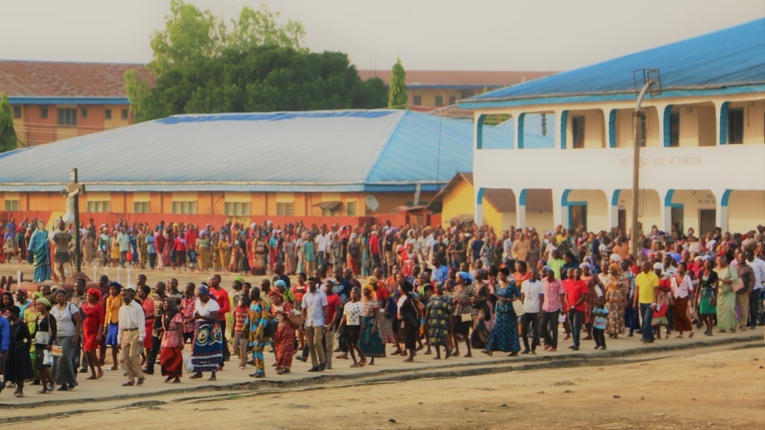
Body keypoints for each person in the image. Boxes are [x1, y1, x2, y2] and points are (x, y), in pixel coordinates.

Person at [483, 267, 522, 357]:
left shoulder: (511, 285)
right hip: (500, 310)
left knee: (511, 330)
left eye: (502, 275)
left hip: (509, 311)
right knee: (496, 328)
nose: (500, 276)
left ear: (506, 275)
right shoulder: (498, 285)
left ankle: (514, 350)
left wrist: (508, 299)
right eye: (499, 275)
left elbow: (518, 296)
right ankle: (490, 348)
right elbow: (498, 296)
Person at [50, 289, 82, 391]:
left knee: (64, 357)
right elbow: (51, 324)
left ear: (66, 297)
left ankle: (70, 381)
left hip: (69, 336)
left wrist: (76, 336)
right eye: (58, 296)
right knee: (58, 359)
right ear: (56, 298)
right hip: (57, 337)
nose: (60, 298)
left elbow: (79, 321)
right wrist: (51, 338)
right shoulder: (54, 309)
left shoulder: (71, 306)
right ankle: (63, 383)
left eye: (62, 296)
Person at [191, 285, 222, 381]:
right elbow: (197, 315)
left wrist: (201, 317)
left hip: (211, 329)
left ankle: (213, 373)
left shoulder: (213, 304)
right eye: (198, 296)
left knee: (212, 349)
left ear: (206, 295)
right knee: (197, 349)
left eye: (200, 296)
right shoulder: (197, 302)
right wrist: (189, 320)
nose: (199, 298)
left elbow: (214, 317)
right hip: (200, 328)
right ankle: (198, 371)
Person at [3, 306, 33, 397]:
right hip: (10, 349)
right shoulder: (8, 324)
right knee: (8, 368)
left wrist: (25, 350)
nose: (8, 315)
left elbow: (28, 338)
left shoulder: (22, 325)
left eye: (9, 313)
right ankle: (11, 384)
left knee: (20, 370)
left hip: (20, 349)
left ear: (15, 314)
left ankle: (20, 389)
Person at [118, 286, 146, 386]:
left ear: (130, 295)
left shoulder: (137, 307)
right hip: (125, 333)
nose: (123, 297)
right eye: (122, 296)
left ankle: (140, 375)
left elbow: (141, 323)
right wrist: (119, 339)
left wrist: (141, 337)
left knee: (133, 355)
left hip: (135, 332)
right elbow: (120, 325)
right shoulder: (122, 308)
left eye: (125, 295)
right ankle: (131, 379)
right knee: (125, 357)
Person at [302, 276, 328, 372]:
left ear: (316, 284)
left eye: (311, 283)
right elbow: (304, 310)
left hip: (319, 321)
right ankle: (315, 365)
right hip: (308, 322)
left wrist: (325, 324)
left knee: (317, 342)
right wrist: (302, 322)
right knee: (310, 345)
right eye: (308, 284)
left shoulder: (321, 295)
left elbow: (325, 309)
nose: (310, 285)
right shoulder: (306, 296)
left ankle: (323, 361)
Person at [337, 287, 366, 367]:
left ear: (358, 295)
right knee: (349, 344)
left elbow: (361, 318)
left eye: (355, 293)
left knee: (354, 344)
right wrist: (339, 328)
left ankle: (363, 358)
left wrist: (361, 330)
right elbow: (344, 317)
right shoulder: (347, 305)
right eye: (352, 293)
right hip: (347, 325)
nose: (354, 294)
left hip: (355, 326)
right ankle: (355, 362)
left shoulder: (360, 305)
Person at [33, 297, 56, 394]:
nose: (37, 306)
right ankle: (44, 386)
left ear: (45, 305)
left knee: (43, 365)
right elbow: (35, 331)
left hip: (46, 342)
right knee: (38, 365)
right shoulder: (38, 317)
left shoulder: (50, 317)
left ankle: (51, 382)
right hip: (38, 342)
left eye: (39, 304)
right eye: (36, 304)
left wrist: (50, 343)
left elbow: (54, 331)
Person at [244, 287, 269, 378]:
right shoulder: (252, 303)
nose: (250, 295)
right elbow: (248, 317)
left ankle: (261, 371)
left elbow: (264, 318)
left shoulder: (263, 304)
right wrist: (244, 329)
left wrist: (259, 330)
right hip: (252, 332)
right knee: (254, 352)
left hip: (259, 333)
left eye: (252, 293)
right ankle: (257, 370)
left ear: (257, 293)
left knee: (258, 351)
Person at [269, 290, 295, 375]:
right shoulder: (272, 306)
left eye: (274, 298)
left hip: (287, 329)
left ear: (279, 297)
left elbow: (292, 313)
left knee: (286, 349)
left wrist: (282, 312)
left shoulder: (286, 304)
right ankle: (282, 365)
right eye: (272, 298)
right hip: (277, 330)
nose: (273, 300)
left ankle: (282, 367)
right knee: (279, 348)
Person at [358, 284, 386, 364]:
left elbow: (377, 314)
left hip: (371, 321)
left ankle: (372, 358)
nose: (364, 291)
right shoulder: (362, 300)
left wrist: (374, 326)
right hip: (363, 321)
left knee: (371, 340)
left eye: (366, 290)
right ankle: (362, 358)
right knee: (361, 340)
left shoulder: (374, 301)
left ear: (370, 291)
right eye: (363, 290)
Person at [81, 288, 105, 380]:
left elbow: (101, 322)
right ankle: (93, 373)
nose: (88, 297)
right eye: (87, 295)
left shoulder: (99, 307)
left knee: (91, 350)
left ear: (95, 297)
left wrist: (99, 334)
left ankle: (99, 368)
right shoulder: (84, 306)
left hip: (94, 332)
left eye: (90, 296)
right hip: (85, 332)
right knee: (87, 352)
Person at [519, 269, 544, 354]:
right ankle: (526, 347)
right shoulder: (524, 283)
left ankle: (533, 348)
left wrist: (540, 311)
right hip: (526, 309)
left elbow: (541, 298)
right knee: (523, 329)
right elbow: (522, 296)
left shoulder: (540, 284)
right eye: (533, 274)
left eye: (536, 275)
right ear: (530, 274)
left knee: (536, 330)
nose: (535, 276)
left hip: (535, 309)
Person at [159, 298, 184, 383]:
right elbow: (164, 327)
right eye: (164, 304)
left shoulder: (177, 315)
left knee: (176, 358)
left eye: (167, 304)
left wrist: (180, 341)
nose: (165, 305)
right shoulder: (164, 315)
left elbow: (180, 328)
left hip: (175, 338)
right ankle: (169, 374)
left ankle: (176, 376)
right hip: (166, 339)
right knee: (164, 358)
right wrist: (158, 330)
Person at [451, 272, 475, 357]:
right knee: (454, 331)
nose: (456, 279)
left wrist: (466, 301)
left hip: (466, 312)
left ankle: (469, 351)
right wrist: (455, 301)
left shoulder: (469, 288)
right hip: (458, 311)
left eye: (458, 278)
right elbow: (453, 297)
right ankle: (457, 350)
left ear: (463, 279)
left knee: (465, 332)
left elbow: (475, 298)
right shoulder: (456, 288)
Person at [634, 261, 659, 343]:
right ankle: (651, 337)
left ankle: (645, 336)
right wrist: (635, 301)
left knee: (647, 320)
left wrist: (655, 303)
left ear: (649, 266)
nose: (642, 267)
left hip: (650, 302)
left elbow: (656, 291)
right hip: (641, 301)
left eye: (643, 266)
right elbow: (637, 290)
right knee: (644, 320)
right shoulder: (639, 276)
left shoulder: (654, 277)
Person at [564, 268, 588, 351]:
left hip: (578, 308)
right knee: (572, 326)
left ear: (581, 273)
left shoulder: (583, 283)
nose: (577, 273)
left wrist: (575, 305)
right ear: (573, 273)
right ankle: (574, 342)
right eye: (575, 272)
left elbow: (583, 296)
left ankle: (576, 344)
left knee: (576, 325)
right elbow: (566, 295)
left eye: (579, 272)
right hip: (570, 307)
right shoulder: (569, 282)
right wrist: (569, 305)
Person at [715, 255, 739, 333]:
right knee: (720, 309)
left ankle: (732, 326)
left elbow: (735, 278)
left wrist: (726, 280)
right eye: (718, 260)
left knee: (729, 308)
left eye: (721, 260)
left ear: (724, 260)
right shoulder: (715, 270)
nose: (719, 262)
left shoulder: (730, 268)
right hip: (719, 292)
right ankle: (722, 327)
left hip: (729, 292)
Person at [671, 262, 695, 338]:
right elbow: (672, 289)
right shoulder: (674, 278)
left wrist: (692, 300)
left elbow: (691, 290)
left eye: (682, 267)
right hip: (676, 297)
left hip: (684, 297)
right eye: (679, 267)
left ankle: (691, 328)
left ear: (684, 269)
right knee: (676, 316)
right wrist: (671, 299)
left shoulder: (687, 278)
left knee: (683, 314)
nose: (680, 269)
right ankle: (680, 332)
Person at [397, 281, 419, 362]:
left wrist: (417, 320)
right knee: (406, 337)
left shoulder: (409, 297)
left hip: (410, 320)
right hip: (406, 320)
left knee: (409, 337)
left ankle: (411, 356)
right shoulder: (406, 296)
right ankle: (411, 353)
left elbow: (415, 309)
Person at [104, 282, 123, 370]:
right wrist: (105, 326)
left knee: (117, 344)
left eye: (114, 289)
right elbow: (107, 312)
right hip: (110, 322)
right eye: (110, 289)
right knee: (112, 344)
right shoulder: (108, 299)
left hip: (118, 322)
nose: (111, 291)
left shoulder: (121, 299)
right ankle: (115, 364)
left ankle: (123, 361)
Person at [697, 259, 719, 336]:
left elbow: (717, 286)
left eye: (709, 263)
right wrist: (697, 296)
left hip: (710, 293)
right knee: (702, 312)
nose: (707, 264)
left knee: (710, 313)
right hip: (703, 293)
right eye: (706, 263)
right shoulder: (701, 272)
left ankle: (710, 329)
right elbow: (699, 285)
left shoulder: (714, 274)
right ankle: (707, 326)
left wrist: (716, 298)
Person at [604, 263, 626, 339]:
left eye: (612, 269)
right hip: (609, 299)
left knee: (617, 316)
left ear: (616, 269)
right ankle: (610, 331)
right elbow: (605, 288)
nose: (610, 270)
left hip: (618, 300)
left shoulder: (621, 278)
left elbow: (624, 289)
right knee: (609, 316)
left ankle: (616, 332)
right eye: (609, 269)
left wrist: (625, 300)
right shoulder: (608, 277)